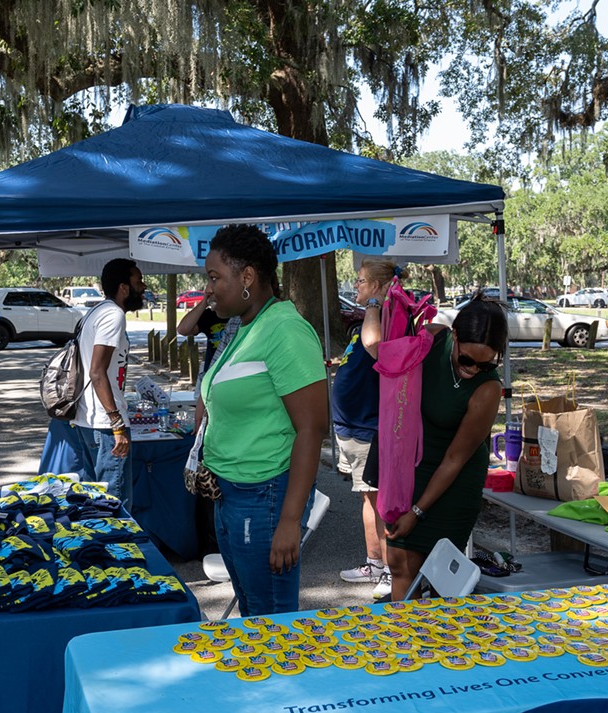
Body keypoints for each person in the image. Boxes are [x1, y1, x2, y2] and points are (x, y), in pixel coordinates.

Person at [200, 224, 328, 616]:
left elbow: (312, 428)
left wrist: (289, 521)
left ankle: (279, 682)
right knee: (253, 616)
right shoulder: (243, 327)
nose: (208, 288)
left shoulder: (285, 330)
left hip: (264, 499)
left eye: (214, 277)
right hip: (232, 497)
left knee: (270, 626)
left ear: (248, 277)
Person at [379, 294, 508, 600]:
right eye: (467, 359)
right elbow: (382, 355)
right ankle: (402, 641)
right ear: (454, 336)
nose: (473, 369)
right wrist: (376, 305)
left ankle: (433, 644)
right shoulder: (433, 339)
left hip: (454, 482)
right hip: (414, 468)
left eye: (485, 363)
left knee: (438, 580)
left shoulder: (488, 389)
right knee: (400, 565)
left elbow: (454, 459)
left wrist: (417, 511)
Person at [332, 259, 395, 600]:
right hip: (350, 425)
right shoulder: (363, 323)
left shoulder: (382, 319)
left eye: (361, 283)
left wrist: (374, 303)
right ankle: (374, 562)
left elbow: (374, 345)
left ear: (377, 287)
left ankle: (389, 568)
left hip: (367, 425)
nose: (355, 287)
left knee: (381, 501)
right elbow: (359, 353)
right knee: (367, 497)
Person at [74, 258, 146, 510]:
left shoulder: (95, 311)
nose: (144, 286)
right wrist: (116, 423)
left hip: (89, 421)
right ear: (124, 287)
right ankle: (113, 549)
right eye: (138, 281)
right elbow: (96, 371)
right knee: (114, 506)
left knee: (95, 502)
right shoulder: (113, 315)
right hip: (105, 426)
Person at [176, 292, 228, 371]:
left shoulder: (242, 316)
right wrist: (204, 303)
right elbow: (183, 330)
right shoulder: (211, 315)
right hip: (213, 372)